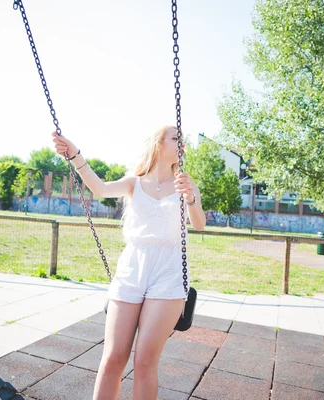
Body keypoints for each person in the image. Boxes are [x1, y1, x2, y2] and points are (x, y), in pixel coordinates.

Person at [52, 126, 206, 400]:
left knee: (145, 361)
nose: (182, 143)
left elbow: (199, 224)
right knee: (113, 357)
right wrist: (75, 155)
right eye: (175, 138)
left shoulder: (184, 181)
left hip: (169, 272)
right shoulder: (135, 183)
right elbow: (99, 189)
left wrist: (191, 198)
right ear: (159, 143)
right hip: (132, 268)